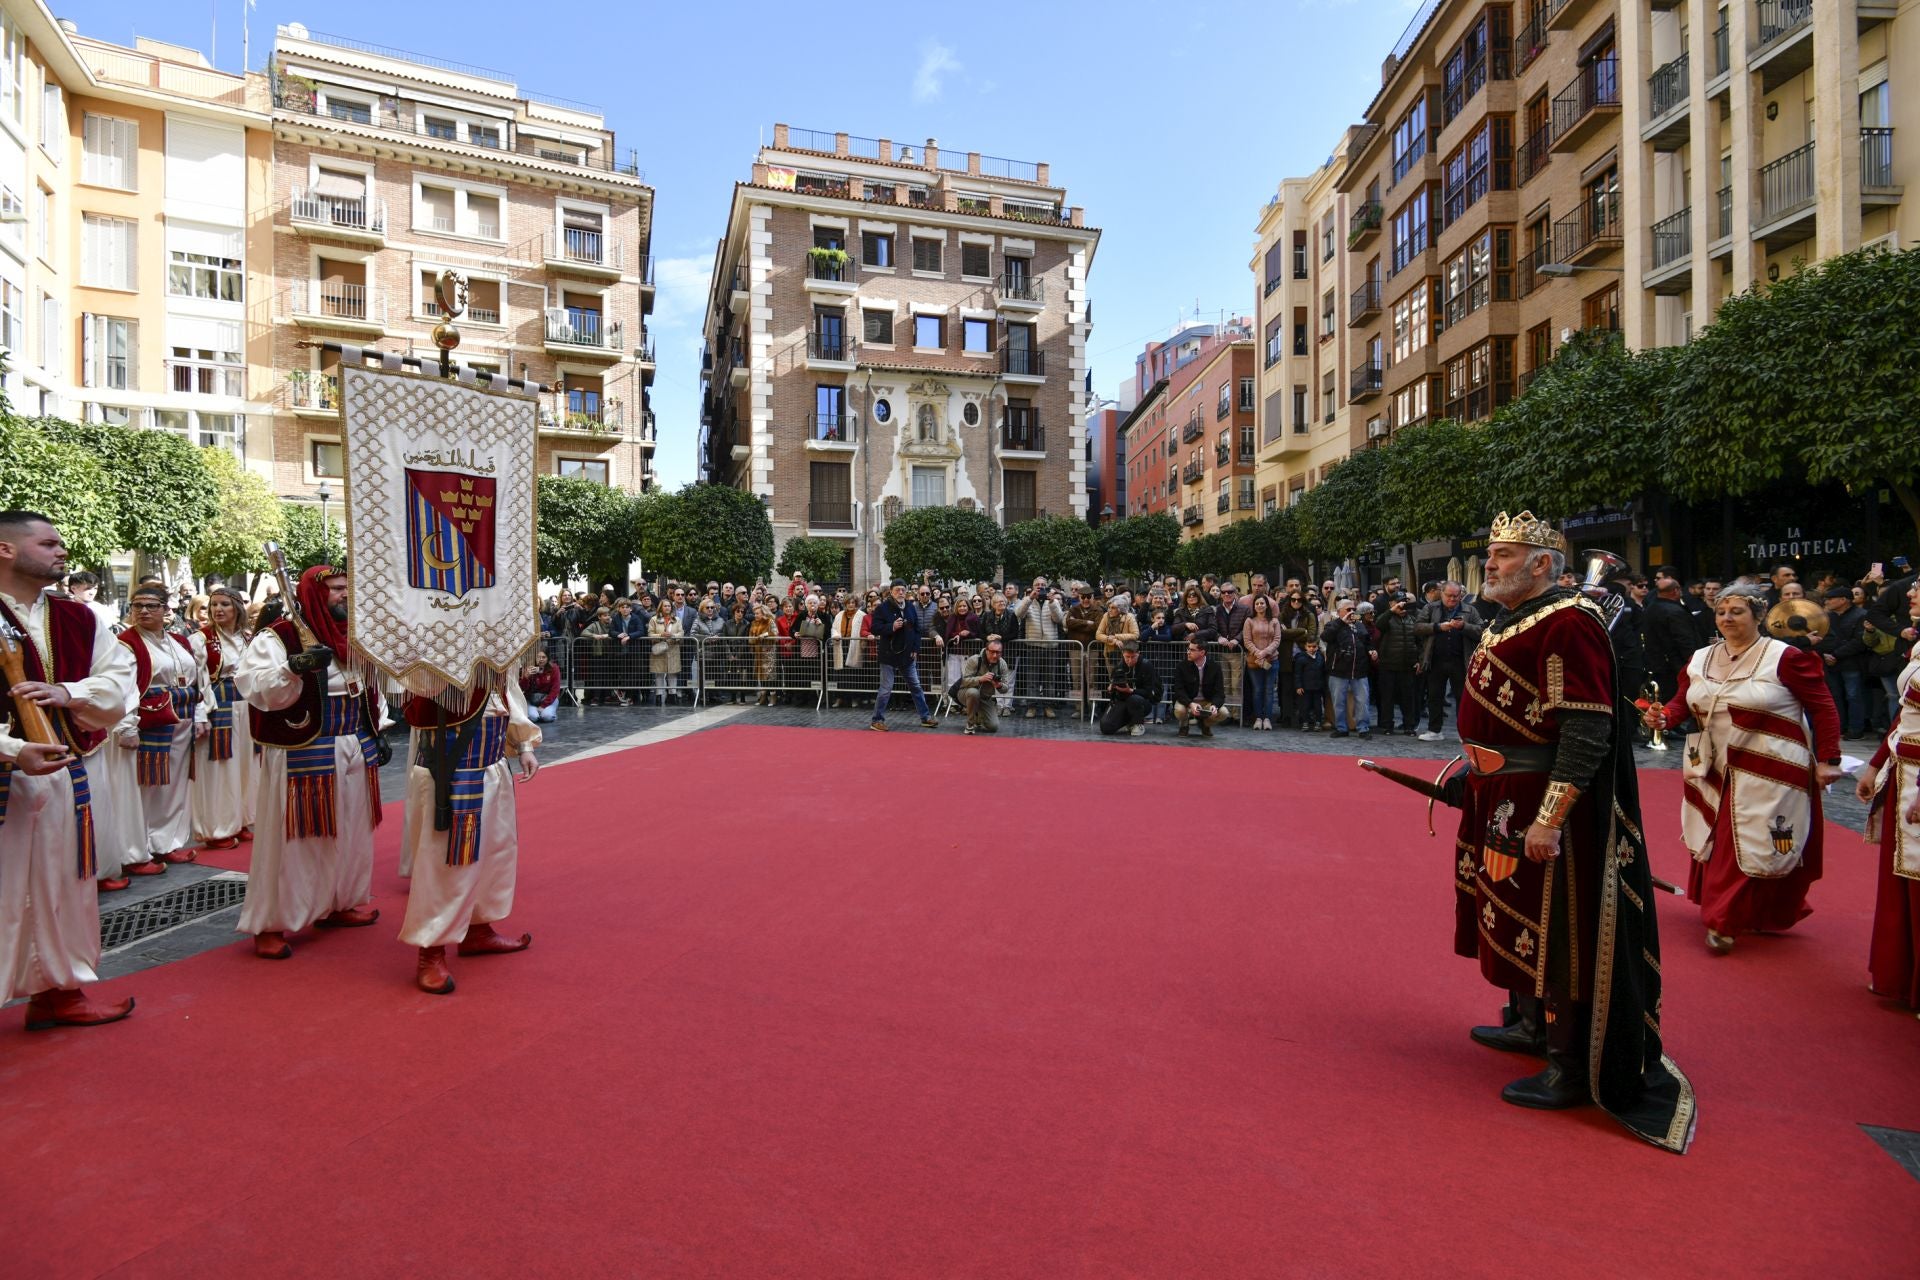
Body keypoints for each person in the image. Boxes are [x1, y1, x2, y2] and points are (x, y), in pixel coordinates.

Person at [1449, 512, 1692, 1153]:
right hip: (1497, 794)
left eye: (1504, 553)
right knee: (1510, 912)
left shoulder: (1569, 621)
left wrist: (1550, 817)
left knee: (1559, 928)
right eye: (1492, 552)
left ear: (1540, 563)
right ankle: (1530, 1024)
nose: (1491, 562)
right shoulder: (1508, 619)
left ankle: (1570, 1062)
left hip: (1540, 805)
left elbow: (1586, 728)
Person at [1646, 583, 1842, 955]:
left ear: (1758, 616)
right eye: (1721, 611)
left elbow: (1823, 708)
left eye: (1737, 611)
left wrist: (1829, 759)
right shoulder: (1701, 658)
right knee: (1717, 839)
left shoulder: (1785, 657)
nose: (1727, 618)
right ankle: (1756, 910)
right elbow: (1680, 703)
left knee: (1749, 842)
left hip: (1773, 769)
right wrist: (1664, 717)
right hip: (1713, 766)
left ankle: (1723, 921)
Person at [0, 511, 140, 1029]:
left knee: (63, 884)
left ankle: (59, 989)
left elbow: (119, 678)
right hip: (7, 773)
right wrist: (12, 749)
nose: (61, 551)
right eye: (48, 543)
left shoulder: (80, 618)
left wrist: (68, 692)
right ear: (6, 550)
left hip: (65, 770)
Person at [235, 565, 390, 961]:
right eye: (337, 589)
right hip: (305, 748)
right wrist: (294, 668)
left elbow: (367, 686)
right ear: (315, 594)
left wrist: (376, 729)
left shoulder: (352, 634)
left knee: (352, 832)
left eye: (347, 588)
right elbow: (253, 685)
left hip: (355, 741)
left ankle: (339, 901)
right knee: (295, 842)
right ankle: (270, 922)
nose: (345, 595)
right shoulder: (280, 636)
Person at [396, 671, 541, 995]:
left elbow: (506, 692)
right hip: (449, 767)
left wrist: (523, 743)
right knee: (445, 861)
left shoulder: (492, 639)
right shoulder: (430, 633)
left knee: (496, 851)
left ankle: (478, 928)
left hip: (492, 760)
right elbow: (414, 689)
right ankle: (430, 948)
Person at [1858, 576, 1920, 1017]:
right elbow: (1906, 715)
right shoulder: (1917, 648)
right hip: (1904, 773)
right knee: (1904, 882)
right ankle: (1902, 975)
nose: (1911, 594)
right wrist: (1876, 763)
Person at [120, 582, 207, 865]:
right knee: (146, 787)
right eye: (137, 606)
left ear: (166, 610)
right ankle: (138, 849)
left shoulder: (179, 641)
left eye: (151, 606)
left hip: (182, 720)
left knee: (175, 784)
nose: (143, 611)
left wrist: (201, 715)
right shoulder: (127, 642)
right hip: (150, 721)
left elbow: (199, 681)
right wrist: (127, 727)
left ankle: (166, 842)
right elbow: (124, 689)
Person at [190, 586, 254, 850]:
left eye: (224, 604)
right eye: (213, 605)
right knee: (219, 768)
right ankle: (216, 828)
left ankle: (240, 819)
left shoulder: (249, 638)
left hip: (248, 704)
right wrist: (202, 713)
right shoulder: (201, 639)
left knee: (246, 764)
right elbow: (198, 678)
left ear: (237, 608)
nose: (217, 610)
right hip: (219, 705)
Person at [1416, 582, 1482, 741]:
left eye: (1456, 596)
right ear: (1442, 594)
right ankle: (1434, 731)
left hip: (1460, 660)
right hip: (1435, 659)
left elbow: (1481, 631)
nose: (1452, 599)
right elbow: (1417, 627)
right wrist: (1438, 627)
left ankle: (1463, 733)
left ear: (1461, 595)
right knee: (1434, 696)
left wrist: (1464, 626)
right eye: (1449, 595)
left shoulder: (1470, 609)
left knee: (1462, 698)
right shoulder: (1431, 608)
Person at [870, 580, 933, 731]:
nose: (901, 593)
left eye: (903, 590)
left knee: (916, 686)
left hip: (907, 655)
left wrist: (915, 648)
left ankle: (925, 717)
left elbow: (917, 630)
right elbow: (875, 628)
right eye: (897, 590)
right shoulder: (882, 608)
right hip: (888, 655)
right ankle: (877, 719)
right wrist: (891, 627)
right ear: (891, 591)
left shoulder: (910, 607)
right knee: (886, 689)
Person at [1813, 586, 1870, 740]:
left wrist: (1835, 655)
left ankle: (1856, 729)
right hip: (1830, 663)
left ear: (1844, 600)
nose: (1828, 601)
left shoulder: (1861, 615)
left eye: (1831, 598)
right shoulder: (1827, 617)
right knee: (1834, 696)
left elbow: (1860, 641)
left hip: (1852, 662)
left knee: (1854, 696)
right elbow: (1820, 638)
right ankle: (1839, 727)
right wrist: (1824, 654)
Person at [1321, 598, 1375, 740]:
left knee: (1362, 701)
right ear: (1339, 612)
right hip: (1338, 669)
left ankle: (1363, 728)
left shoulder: (1360, 625)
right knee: (1339, 701)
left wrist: (1372, 651)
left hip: (1359, 670)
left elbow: (1367, 642)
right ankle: (1341, 727)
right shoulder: (1333, 624)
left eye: (1353, 609)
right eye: (1348, 609)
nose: (1351, 612)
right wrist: (1341, 622)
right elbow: (1325, 637)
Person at [1373, 589, 1421, 735]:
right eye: (1398, 602)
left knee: (1408, 699)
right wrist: (1391, 611)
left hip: (1407, 665)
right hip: (1388, 665)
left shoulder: (1412, 619)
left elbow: (1420, 642)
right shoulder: (1386, 618)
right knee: (1387, 698)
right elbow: (1379, 624)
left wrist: (1419, 660)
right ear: (1391, 603)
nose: (1402, 605)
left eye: (1404, 602)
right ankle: (1387, 726)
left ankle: (1409, 726)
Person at [1099, 639, 1162, 737]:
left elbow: (1149, 693)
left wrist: (1131, 691)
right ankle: (1130, 722)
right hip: (1123, 700)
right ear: (1123, 654)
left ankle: (1138, 723)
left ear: (1138, 653)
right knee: (1106, 727)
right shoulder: (1119, 667)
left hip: (1143, 702)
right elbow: (1113, 692)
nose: (1130, 660)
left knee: (1134, 699)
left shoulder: (1147, 665)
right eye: (1127, 657)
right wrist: (1111, 688)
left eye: (1133, 657)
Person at [953, 635, 1011, 735]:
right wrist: (980, 679)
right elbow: (964, 681)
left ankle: (978, 716)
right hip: (965, 693)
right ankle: (970, 724)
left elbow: (1006, 689)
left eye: (998, 652)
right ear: (986, 650)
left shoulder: (1002, 664)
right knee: (973, 693)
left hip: (985, 697)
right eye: (992, 652)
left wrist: (998, 685)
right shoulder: (974, 660)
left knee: (994, 727)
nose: (995, 655)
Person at [1241, 593, 1282, 730]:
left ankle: (1268, 718)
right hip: (1254, 661)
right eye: (1257, 603)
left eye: (1262, 603)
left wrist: (1265, 652)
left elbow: (1277, 640)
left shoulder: (1275, 621)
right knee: (1257, 690)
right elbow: (1247, 640)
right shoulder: (1249, 621)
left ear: (1267, 605)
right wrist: (1257, 652)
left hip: (1272, 660)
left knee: (1269, 691)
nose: (1259, 606)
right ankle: (1258, 717)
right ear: (1254, 606)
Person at [1173, 639, 1227, 738]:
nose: (1188, 652)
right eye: (1188, 649)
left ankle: (1205, 725)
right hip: (1187, 700)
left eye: (1192, 650)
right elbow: (1178, 690)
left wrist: (1215, 705)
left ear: (1202, 652)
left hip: (1207, 701)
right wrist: (1190, 703)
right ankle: (1184, 725)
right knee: (1180, 710)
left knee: (1223, 712)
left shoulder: (1215, 667)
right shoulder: (1181, 666)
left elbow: (1219, 693)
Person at [1293, 635, 1327, 730]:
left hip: (1318, 687)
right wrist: (1298, 686)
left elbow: (1323, 672)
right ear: (1305, 646)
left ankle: (1318, 722)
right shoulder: (1300, 658)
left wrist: (1323, 686)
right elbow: (1297, 674)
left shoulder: (1320, 657)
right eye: (1309, 646)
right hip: (1305, 688)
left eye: (1314, 646)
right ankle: (1305, 722)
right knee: (1305, 706)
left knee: (1318, 706)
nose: (1311, 649)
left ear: (1317, 646)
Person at [520, 649, 561, 722]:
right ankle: (538, 712)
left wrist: (543, 706)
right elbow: (523, 688)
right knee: (533, 717)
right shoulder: (530, 667)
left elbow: (555, 690)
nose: (541, 659)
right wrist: (526, 677)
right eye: (538, 657)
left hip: (548, 699)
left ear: (547, 658)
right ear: (535, 658)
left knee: (547, 717)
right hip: (532, 699)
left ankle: (548, 713)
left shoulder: (554, 668)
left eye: (543, 657)